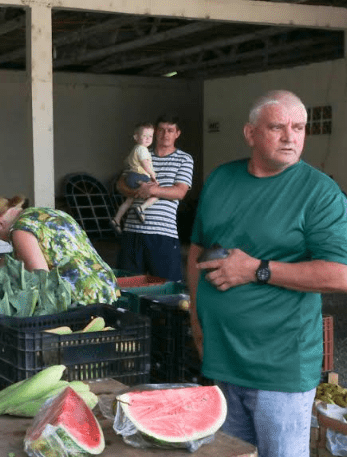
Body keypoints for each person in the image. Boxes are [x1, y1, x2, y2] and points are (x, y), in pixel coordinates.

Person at [187, 90, 347, 457]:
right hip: (222, 360)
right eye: (277, 127)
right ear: (250, 133)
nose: (291, 137)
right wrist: (196, 320)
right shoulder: (220, 180)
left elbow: (340, 275)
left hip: (280, 370)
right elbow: (197, 249)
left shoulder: (319, 193)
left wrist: (257, 270)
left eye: (299, 127)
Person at [0, 196, 119, 305]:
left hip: (81, 296)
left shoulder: (20, 230)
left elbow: (42, 278)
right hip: (105, 285)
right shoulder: (44, 213)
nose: (0, 239)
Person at [115, 114, 193, 282]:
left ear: (177, 134)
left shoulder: (184, 159)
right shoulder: (140, 152)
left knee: (166, 288)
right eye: (161, 130)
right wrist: (138, 192)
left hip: (163, 233)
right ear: (155, 132)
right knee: (128, 286)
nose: (165, 134)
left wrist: (152, 191)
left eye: (170, 130)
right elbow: (120, 184)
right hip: (132, 232)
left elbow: (180, 192)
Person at [110, 122, 158, 235]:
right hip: (140, 176)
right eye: (144, 136)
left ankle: (116, 219)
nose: (147, 139)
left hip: (131, 177)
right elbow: (145, 163)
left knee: (129, 200)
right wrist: (152, 174)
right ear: (136, 137)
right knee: (156, 193)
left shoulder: (134, 149)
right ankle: (141, 209)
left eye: (150, 136)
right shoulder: (142, 149)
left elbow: (126, 161)